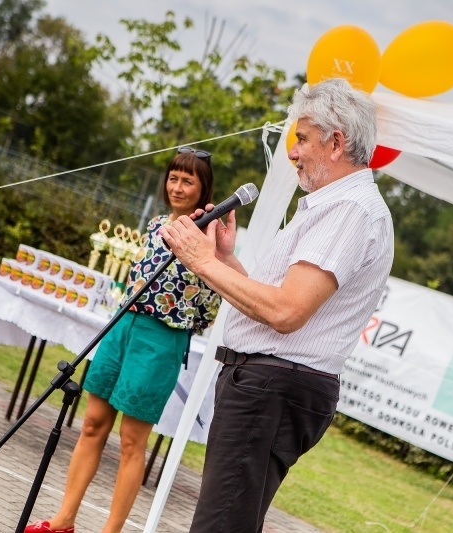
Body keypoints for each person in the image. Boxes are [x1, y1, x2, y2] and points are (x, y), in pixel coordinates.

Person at [159, 77, 394, 533]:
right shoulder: (337, 205)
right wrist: (223, 259)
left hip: (272, 386)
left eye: (302, 139)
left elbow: (286, 313)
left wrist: (201, 261)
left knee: (220, 526)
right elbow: (273, 306)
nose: (293, 152)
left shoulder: (350, 209)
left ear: (336, 142)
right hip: (269, 383)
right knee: (228, 520)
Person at [25, 147, 222, 533]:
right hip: (121, 326)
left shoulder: (206, 235)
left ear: (203, 188)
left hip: (160, 340)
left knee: (132, 442)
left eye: (187, 181)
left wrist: (177, 323)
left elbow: (211, 304)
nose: (177, 187)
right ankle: (64, 520)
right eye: (173, 178)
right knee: (92, 423)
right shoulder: (155, 224)